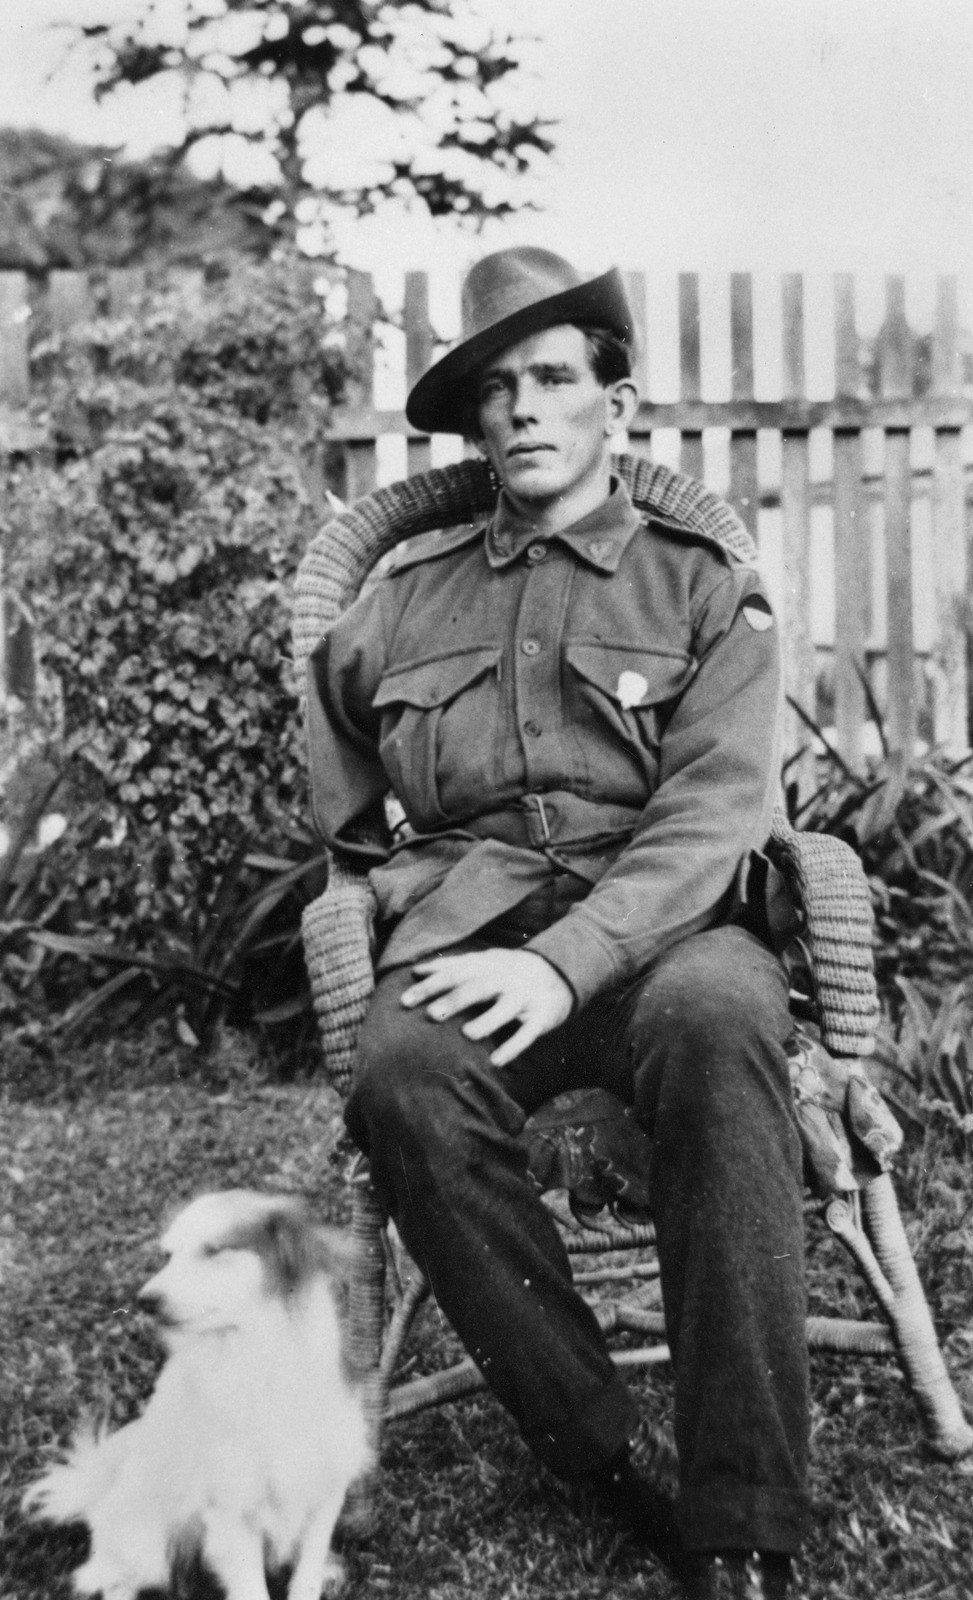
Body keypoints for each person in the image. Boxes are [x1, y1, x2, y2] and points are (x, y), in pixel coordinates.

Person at [306, 247, 806, 1599]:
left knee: (722, 1015)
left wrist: (563, 959)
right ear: (472, 424)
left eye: (551, 377)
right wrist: (383, 882)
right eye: (494, 389)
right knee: (401, 1071)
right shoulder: (398, 603)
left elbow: (715, 814)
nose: (521, 408)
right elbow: (338, 757)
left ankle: (740, 1516)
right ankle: (595, 1449)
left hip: (664, 933)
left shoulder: (699, 585)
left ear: (615, 406)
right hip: (471, 932)